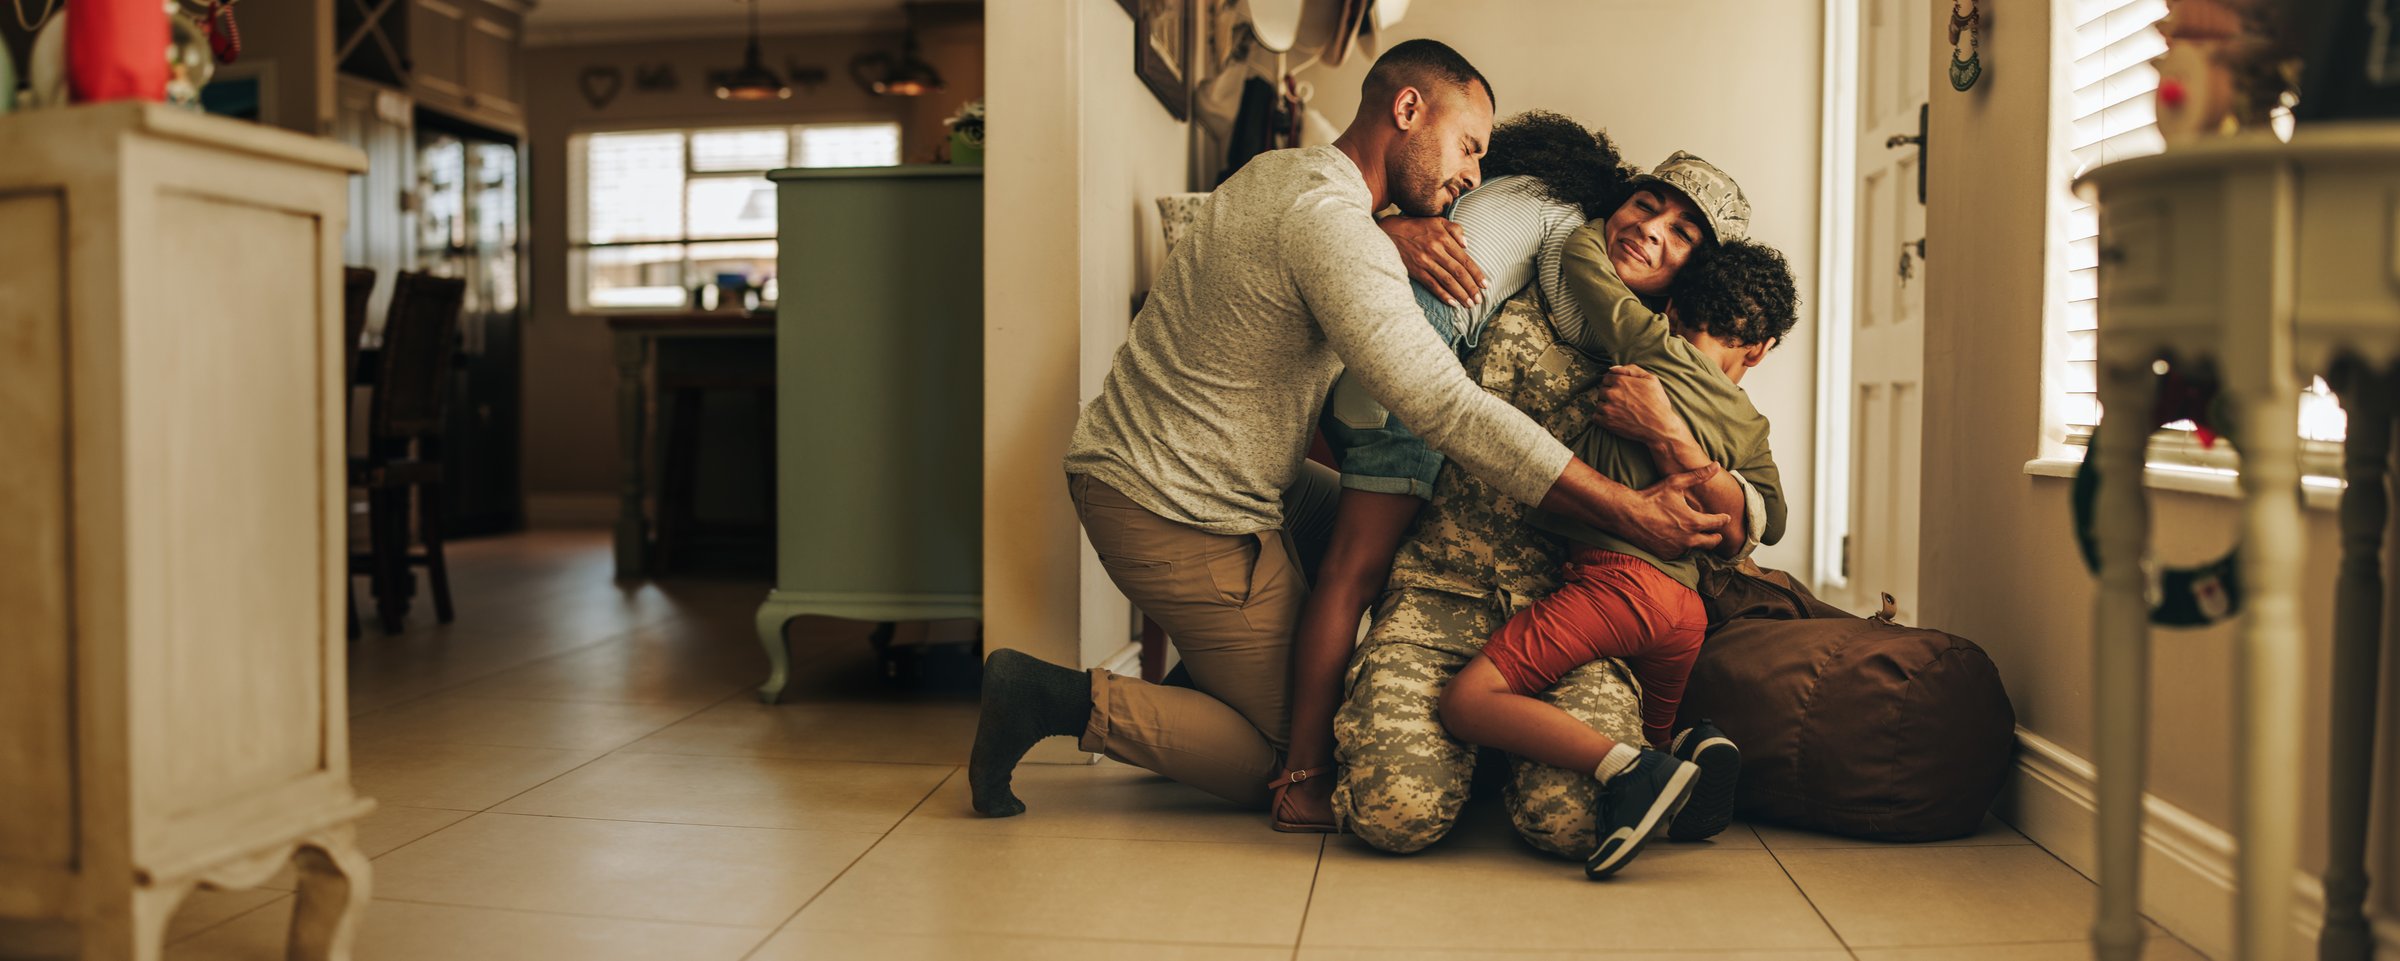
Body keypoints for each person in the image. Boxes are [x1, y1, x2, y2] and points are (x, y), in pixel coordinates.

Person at [966, 40, 1732, 820]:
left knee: (1399, 542)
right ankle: (1049, 698)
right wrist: (1626, 508)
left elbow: (1327, 240)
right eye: (1469, 147)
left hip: (1225, 474)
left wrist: (1387, 233)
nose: (1473, 176)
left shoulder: (1291, 175)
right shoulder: (1336, 225)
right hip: (1173, 506)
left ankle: (1212, 678)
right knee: (1297, 744)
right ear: (1407, 110)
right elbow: (1441, 402)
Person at [1274, 136, 1778, 833]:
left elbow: (1741, 521)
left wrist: (1670, 435)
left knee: (1578, 822)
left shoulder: (1678, 373)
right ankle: (1469, 754)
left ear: (1699, 274)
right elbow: (1382, 291)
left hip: (1567, 614)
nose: (1651, 231)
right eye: (1645, 206)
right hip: (1439, 594)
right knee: (1392, 814)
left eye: (1682, 233)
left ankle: (1505, 753)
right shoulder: (1503, 280)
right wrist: (1393, 230)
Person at [1440, 237, 1801, 880]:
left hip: (1618, 588)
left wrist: (1604, 215)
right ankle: (1684, 750)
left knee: (1467, 702)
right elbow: (1768, 522)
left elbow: (1583, 263)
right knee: (1653, 735)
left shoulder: (1650, 346)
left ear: (1670, 306)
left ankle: (1628, 768)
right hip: (1684, 611)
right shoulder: (1750, 425)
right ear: (1762, 347)